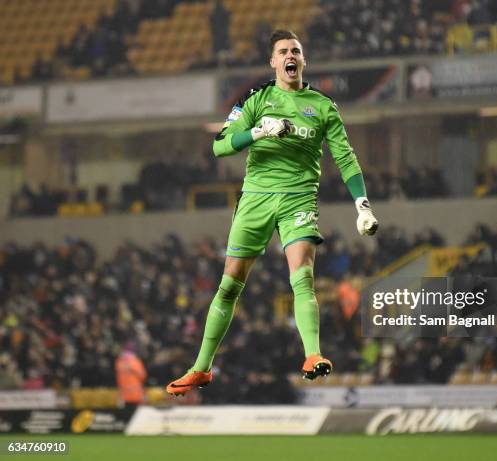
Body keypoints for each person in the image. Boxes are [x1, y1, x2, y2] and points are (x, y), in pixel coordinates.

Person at [166, 30, 378, 396]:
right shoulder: (256, 99)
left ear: (303, 61)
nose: (290, 55)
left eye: (296, 50)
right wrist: (257, 134)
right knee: (230, 282)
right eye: (283, 51)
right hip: (254, 200)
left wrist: (362, 205)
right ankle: (201, 368)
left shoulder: (323, 106)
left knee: (303, 276)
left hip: (298, 199)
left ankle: (312, 355)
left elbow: (346, 158)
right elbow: (220, 146)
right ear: (273, 61)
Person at [115, 342, 147, 407]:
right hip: (136, 395)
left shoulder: (119, 362)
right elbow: (143, 376)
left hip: (124, 395)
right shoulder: (135, 361)